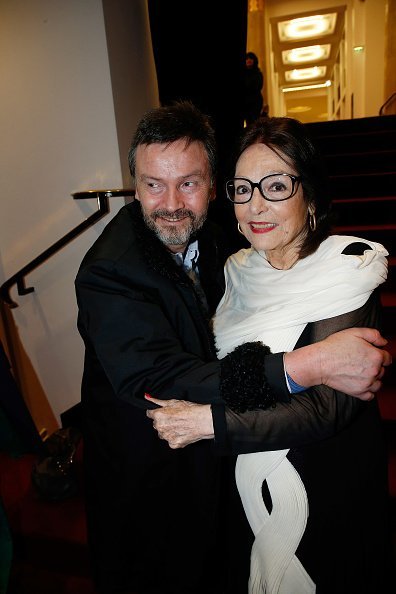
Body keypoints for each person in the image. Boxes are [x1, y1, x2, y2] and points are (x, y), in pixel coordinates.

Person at [75, 102, 391, 594]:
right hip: (153, 476)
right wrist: (307, 364)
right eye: (153, 184)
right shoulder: (111, 271)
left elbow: (328, 410)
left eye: (189, 182)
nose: (171, 202)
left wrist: (212, 426)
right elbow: (161, 374)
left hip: (314, 475)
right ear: (134, 185)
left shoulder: (242, 252)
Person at [243, 52, 264, 126]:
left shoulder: (258, 73)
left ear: (254, 60)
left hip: (255, 101)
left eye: (251, 58)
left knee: (253, 122)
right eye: (247, 58)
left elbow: (259, 87)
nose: (248, 60)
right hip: (245, 102)